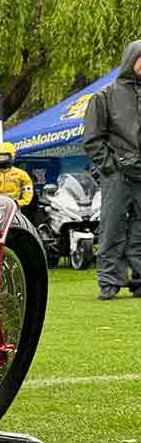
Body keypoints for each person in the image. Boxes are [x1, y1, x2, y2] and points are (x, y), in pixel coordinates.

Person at [83, 39, 141, 300]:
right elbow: (93, 139)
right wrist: (111, 167)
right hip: (117, 175)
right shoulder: (105, 96)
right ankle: (109, 283)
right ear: (131, 60)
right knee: (111, 228)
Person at [0, 143, 38, 218]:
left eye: (5, 156)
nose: (1, 159)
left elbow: (27, 197)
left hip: (15, 212)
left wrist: (16, 203)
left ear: (12, 156)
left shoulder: (22, 175)